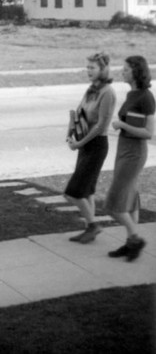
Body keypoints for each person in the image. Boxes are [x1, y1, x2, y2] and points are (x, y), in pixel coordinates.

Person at [105, 55, 155, 261]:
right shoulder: (132, 94)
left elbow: (149, 132)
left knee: (112, 204)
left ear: (136, 71)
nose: (122, 72)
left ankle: (135, 238)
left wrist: (122, 125)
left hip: (134, 152)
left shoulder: (146, 97)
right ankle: (130, 244)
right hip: (124, 149)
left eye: (125, 69)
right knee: (131, 200)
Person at [64, 52, 116, 243]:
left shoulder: (108, 92)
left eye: (92, 67)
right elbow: (79, 113)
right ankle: (89, 230)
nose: (88, 71)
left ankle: (93, 225)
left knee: (73, 192)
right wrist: (70, 132)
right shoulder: (92, 89)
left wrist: (79, 143)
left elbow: (101, 125)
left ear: (103, 69)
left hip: (96, 146)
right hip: (84, 143)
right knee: (88, 191)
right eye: (87, 67)